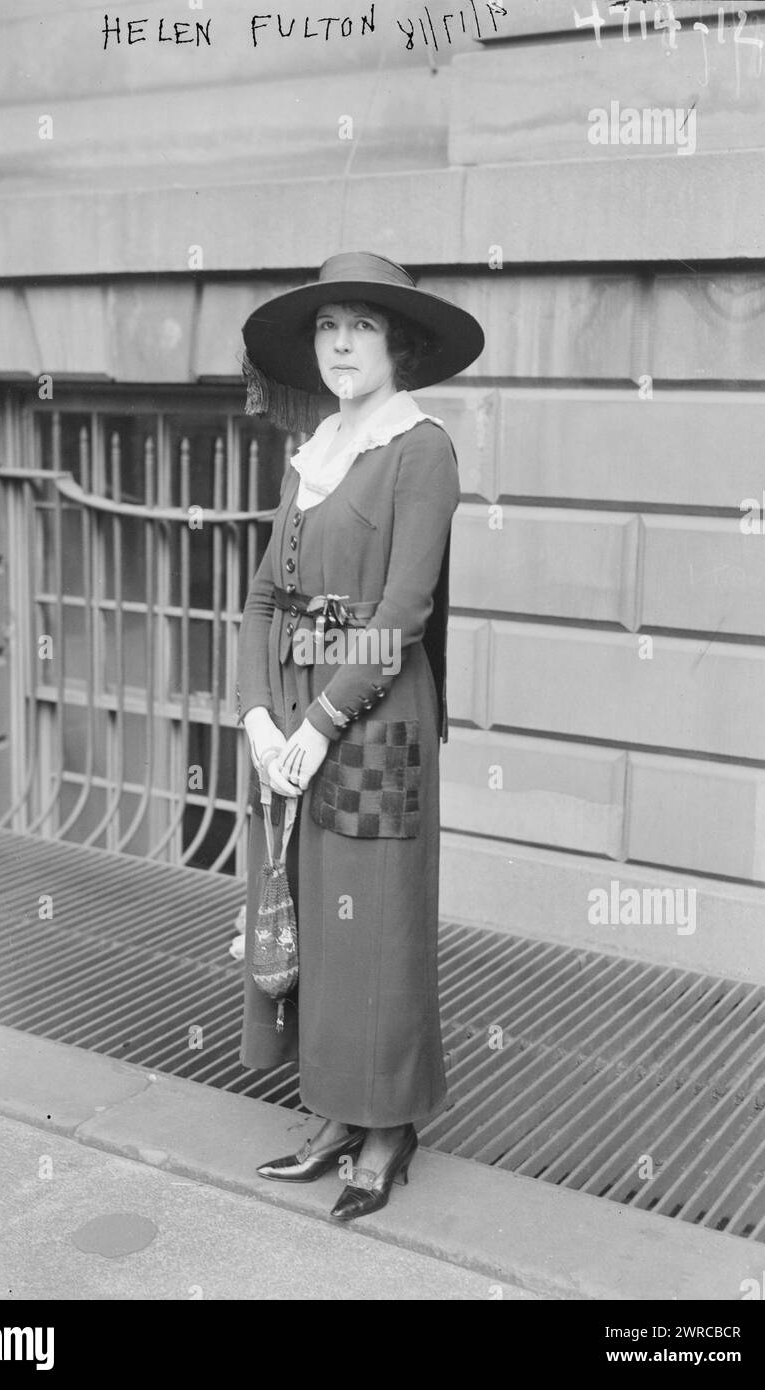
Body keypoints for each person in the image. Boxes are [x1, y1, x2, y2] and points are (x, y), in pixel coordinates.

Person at [235, 251, 484, 1222]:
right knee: (313, 906)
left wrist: (324, 718)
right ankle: (337, 1110)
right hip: (294, 709)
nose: (340, 343)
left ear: (400, 346)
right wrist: (261, 716)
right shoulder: (312, 452)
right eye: (327, 327)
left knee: (372, 921)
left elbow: (404, 607)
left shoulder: (422, 450)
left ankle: (389, 1128)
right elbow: (261, 598)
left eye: (362, 327)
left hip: (377, 718)